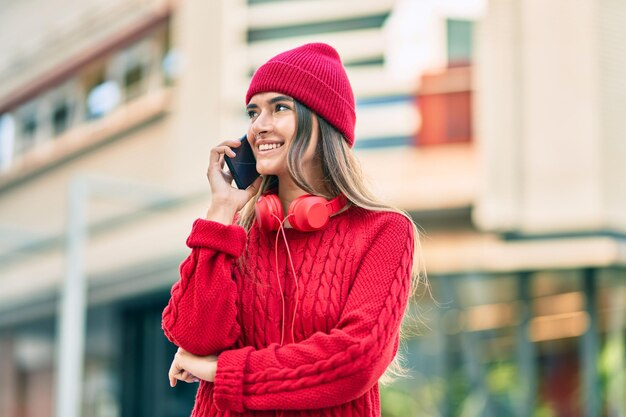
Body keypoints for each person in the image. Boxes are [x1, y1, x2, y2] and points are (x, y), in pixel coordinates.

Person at [162, 42, 421, 417]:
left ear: (324, 121)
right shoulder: (235, 236)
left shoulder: (384, 232)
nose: (259, 126)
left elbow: (355, 359)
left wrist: (225, 371)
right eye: (253, 112)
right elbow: (194, 337)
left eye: (279, 108)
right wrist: (221, 211)